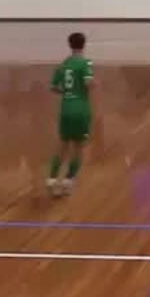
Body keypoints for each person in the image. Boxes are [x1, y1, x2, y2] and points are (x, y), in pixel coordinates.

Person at [47, 32, 94, 196]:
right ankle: (68, 182)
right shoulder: (86, 62)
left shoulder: (63, 65)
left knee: (62, 147)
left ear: (70, 45)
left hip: (66, 108)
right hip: (81, 108)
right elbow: (88, 83)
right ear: (84, 44)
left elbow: (53, 87)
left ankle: (52, 180)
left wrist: (67, 92)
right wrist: (92, 84)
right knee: (78, 148)